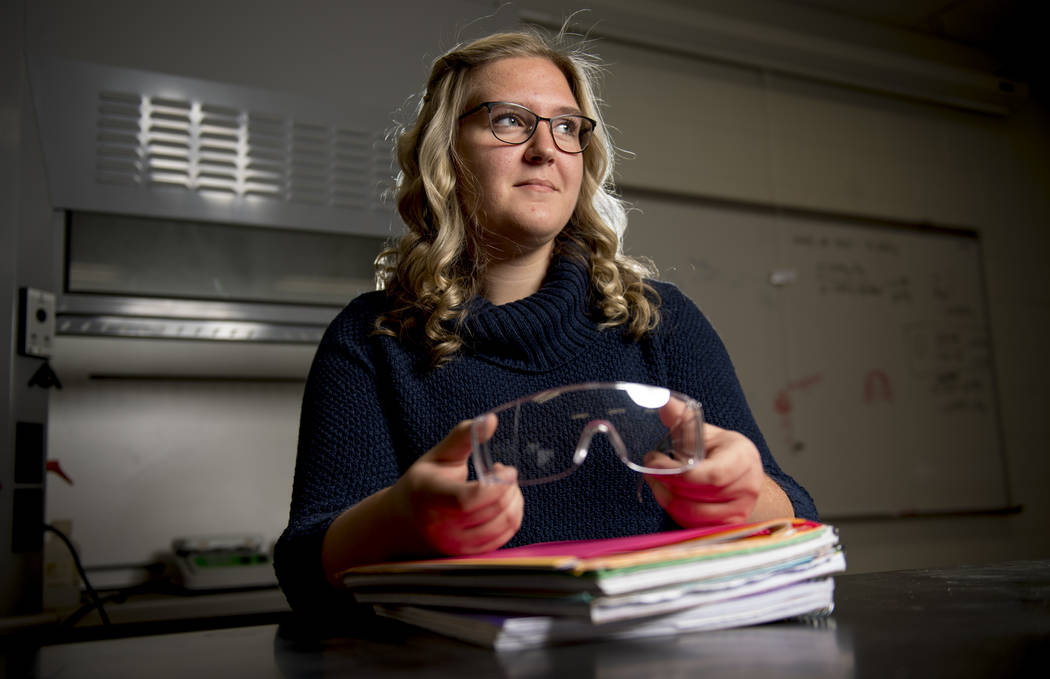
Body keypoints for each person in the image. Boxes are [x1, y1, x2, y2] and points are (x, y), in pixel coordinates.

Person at [274, 29, 817, 617]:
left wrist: (748, 495)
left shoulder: (662, 322)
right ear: (446, 153)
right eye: (509, 120)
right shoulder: (371, 339)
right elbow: (306, 570)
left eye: (566, 127)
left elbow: (795, 512)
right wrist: (396, 519)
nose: (545, 149)